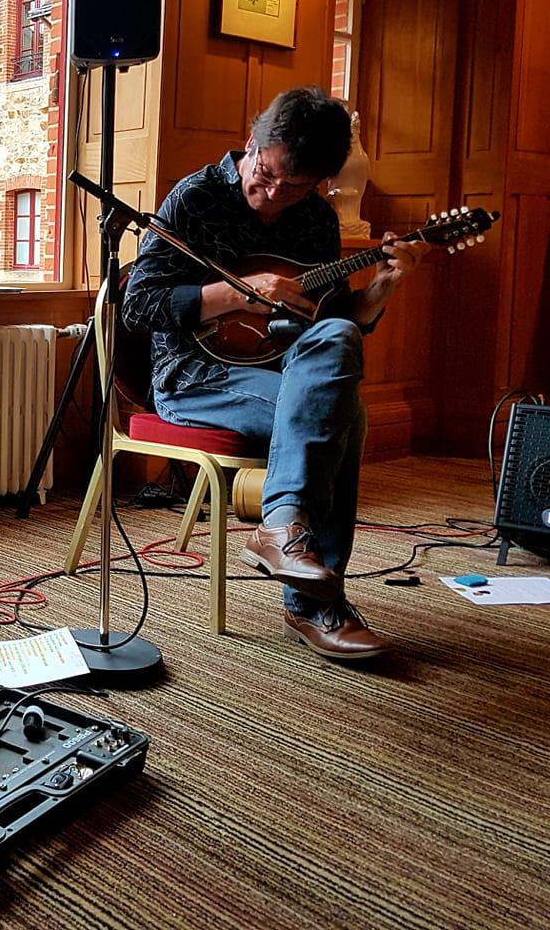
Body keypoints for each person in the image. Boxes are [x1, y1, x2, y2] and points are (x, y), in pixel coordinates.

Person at [122, 86, 427, 661]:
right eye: (267, 175)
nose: (272, 196)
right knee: (346, 417)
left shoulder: (313, 219)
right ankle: (313, 601)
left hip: (279, 368)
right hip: (194, 376)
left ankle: (283, 533)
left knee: (335, 340)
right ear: (252, 143)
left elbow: (333, 329)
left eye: (295, 188)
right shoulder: (195, 199)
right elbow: (138, 306)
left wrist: (383, 288)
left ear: (319, 183)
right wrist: (236, 292)